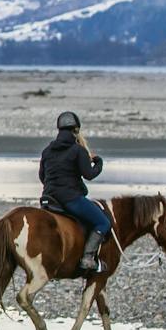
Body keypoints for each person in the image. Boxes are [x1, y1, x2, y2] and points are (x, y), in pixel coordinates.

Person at [40, 110, 110, 275]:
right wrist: (99, 162)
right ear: (76, 130)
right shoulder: (78, 150)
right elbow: (89, 175)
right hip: (71, 199)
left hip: (48, 199)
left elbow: (42, 177)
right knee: (103, 223)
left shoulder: (47, 150)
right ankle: (88, 258)